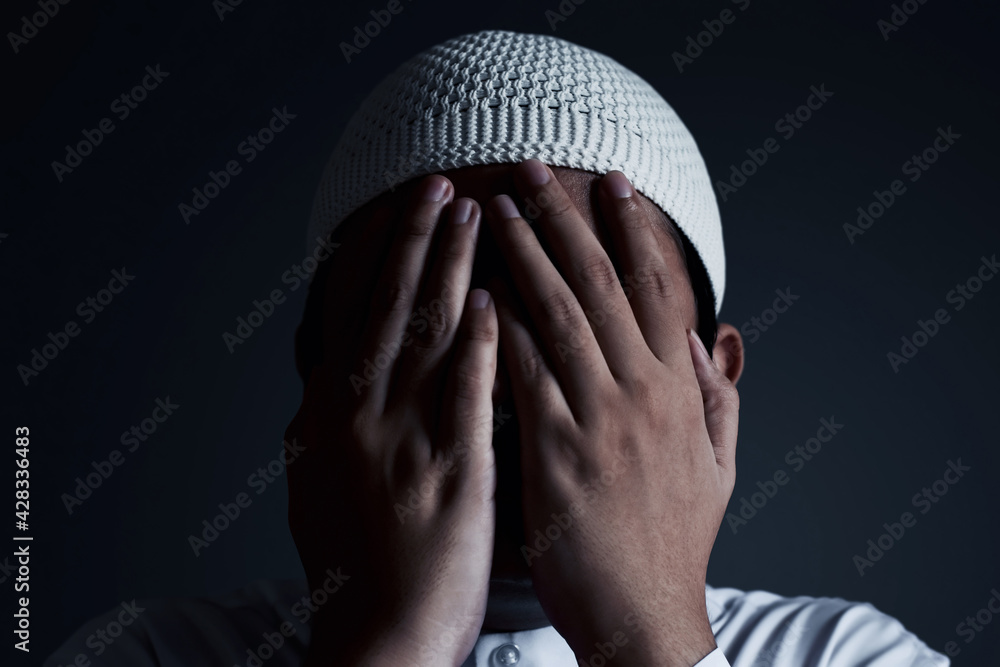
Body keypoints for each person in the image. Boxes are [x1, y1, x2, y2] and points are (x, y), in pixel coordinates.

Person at [45, 29, 948, 667]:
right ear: (322, 380)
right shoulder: (144, 654)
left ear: (715, 384)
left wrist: (651, 641)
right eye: (434, 315)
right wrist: (393, 642)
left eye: (592, 323)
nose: (505, 382)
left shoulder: (852, 656)